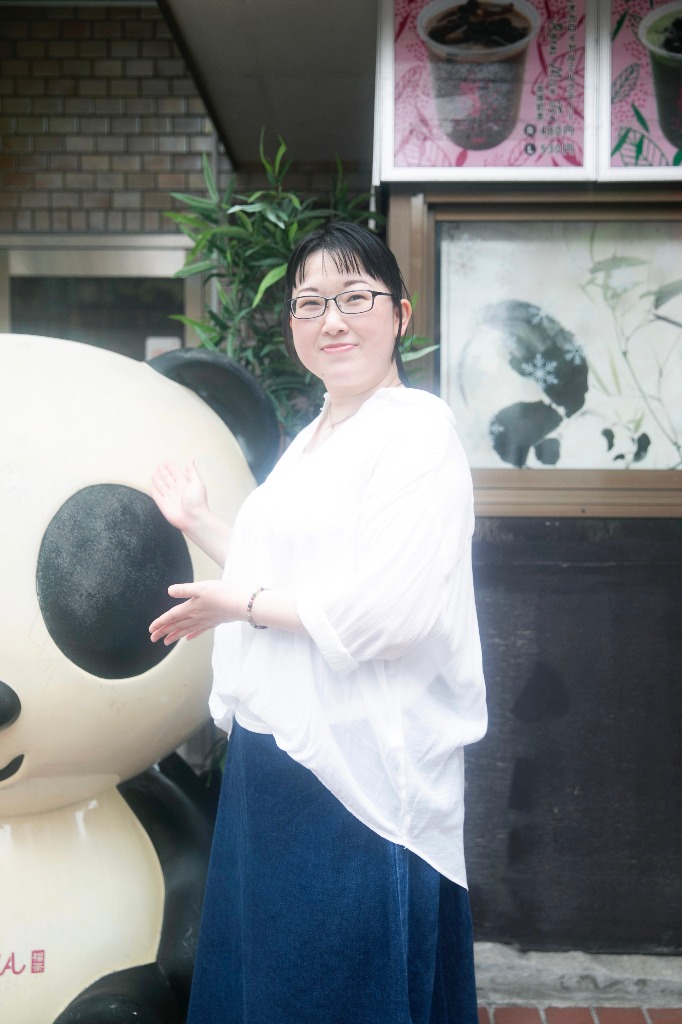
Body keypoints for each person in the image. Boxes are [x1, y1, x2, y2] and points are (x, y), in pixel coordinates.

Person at [148, 221, 487, 1024]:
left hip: (361, 769)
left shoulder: (417, 432)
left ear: (400, 315)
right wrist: (201, 523)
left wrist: (236, 605)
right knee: (267, 982)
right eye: (310, 303)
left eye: (354, 297)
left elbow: (387, 611)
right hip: (278, 754)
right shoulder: (314, 439)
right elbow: (291, 579)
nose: (332, 320)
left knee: (334, 985)